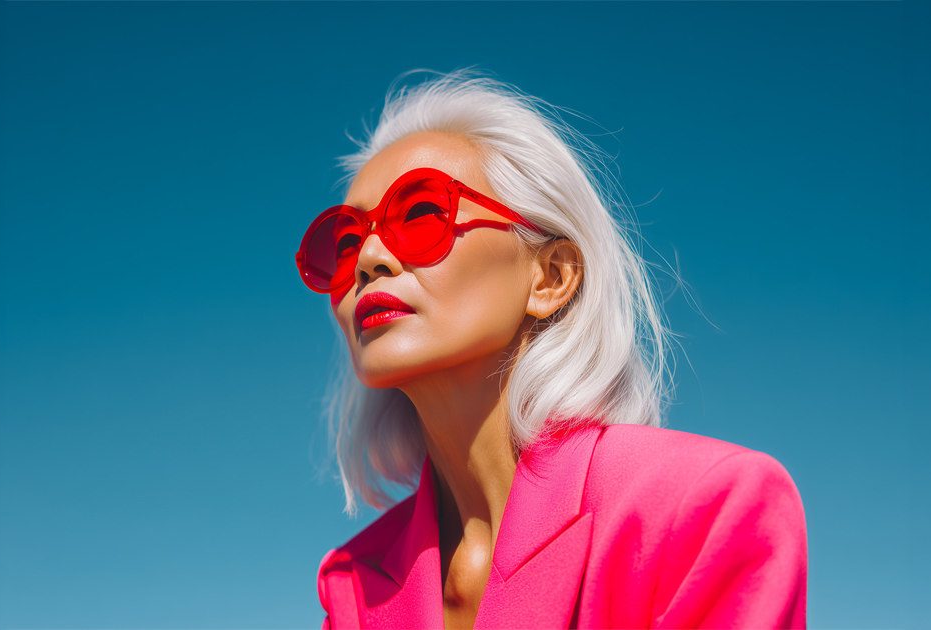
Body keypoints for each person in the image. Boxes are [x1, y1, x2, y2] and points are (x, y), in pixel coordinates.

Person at [296, 70, 807, 629]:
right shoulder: (353, 588)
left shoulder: (704, 512)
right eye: (344, 242)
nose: (368, 259)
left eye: (420, 213)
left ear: (551, 277)